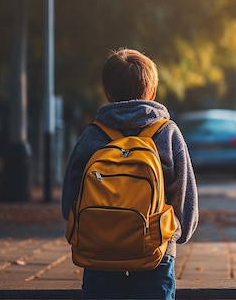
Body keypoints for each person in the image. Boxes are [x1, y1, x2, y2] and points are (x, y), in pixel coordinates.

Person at [61, 48, 199, 299]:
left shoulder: (93, 133)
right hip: (155, 251)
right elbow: (185, 195)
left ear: (107, 93)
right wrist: (177, 235)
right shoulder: (167, 133)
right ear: (153, 92)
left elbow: (70, 195)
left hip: (99, 248)